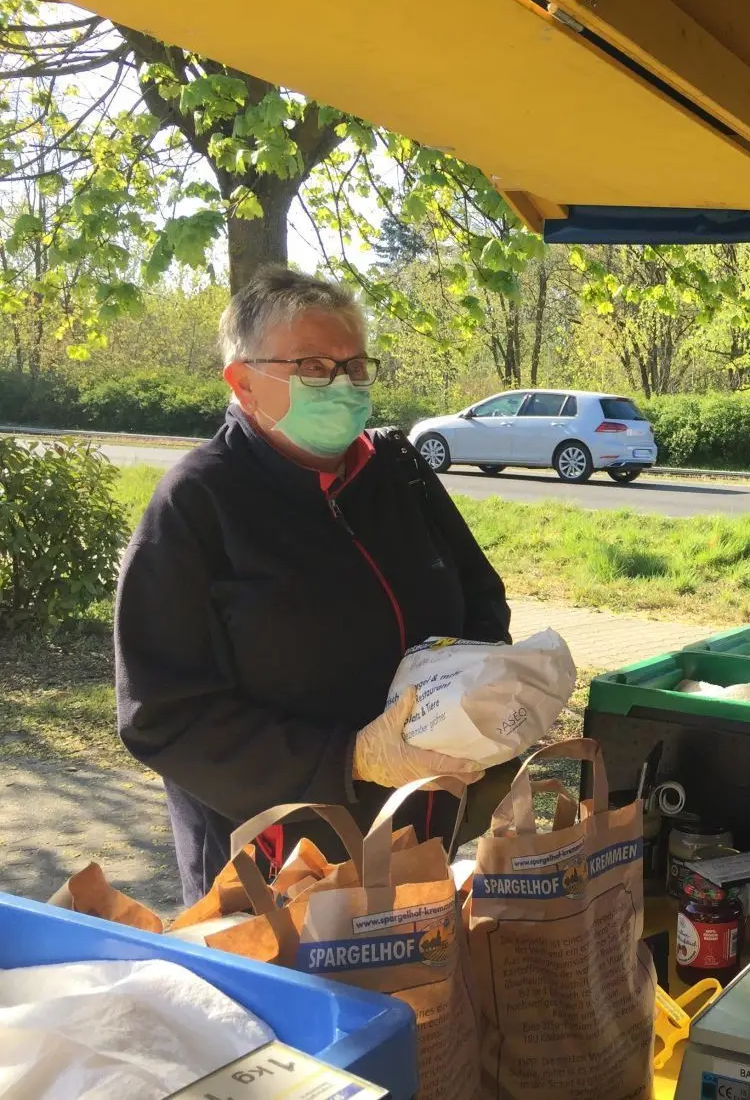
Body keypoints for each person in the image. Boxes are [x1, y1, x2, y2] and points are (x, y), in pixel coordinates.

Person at [115, 267, 512, 904]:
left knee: (420, 1002)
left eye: (355, 368)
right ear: (243, 382)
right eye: (314, 368)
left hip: (419, 829)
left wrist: (482, 695)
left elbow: (480, 602)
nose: (342, 385)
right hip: (276, 867)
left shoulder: (400, 474)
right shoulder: (197, 502)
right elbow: (162, 717)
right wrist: (351, 757)